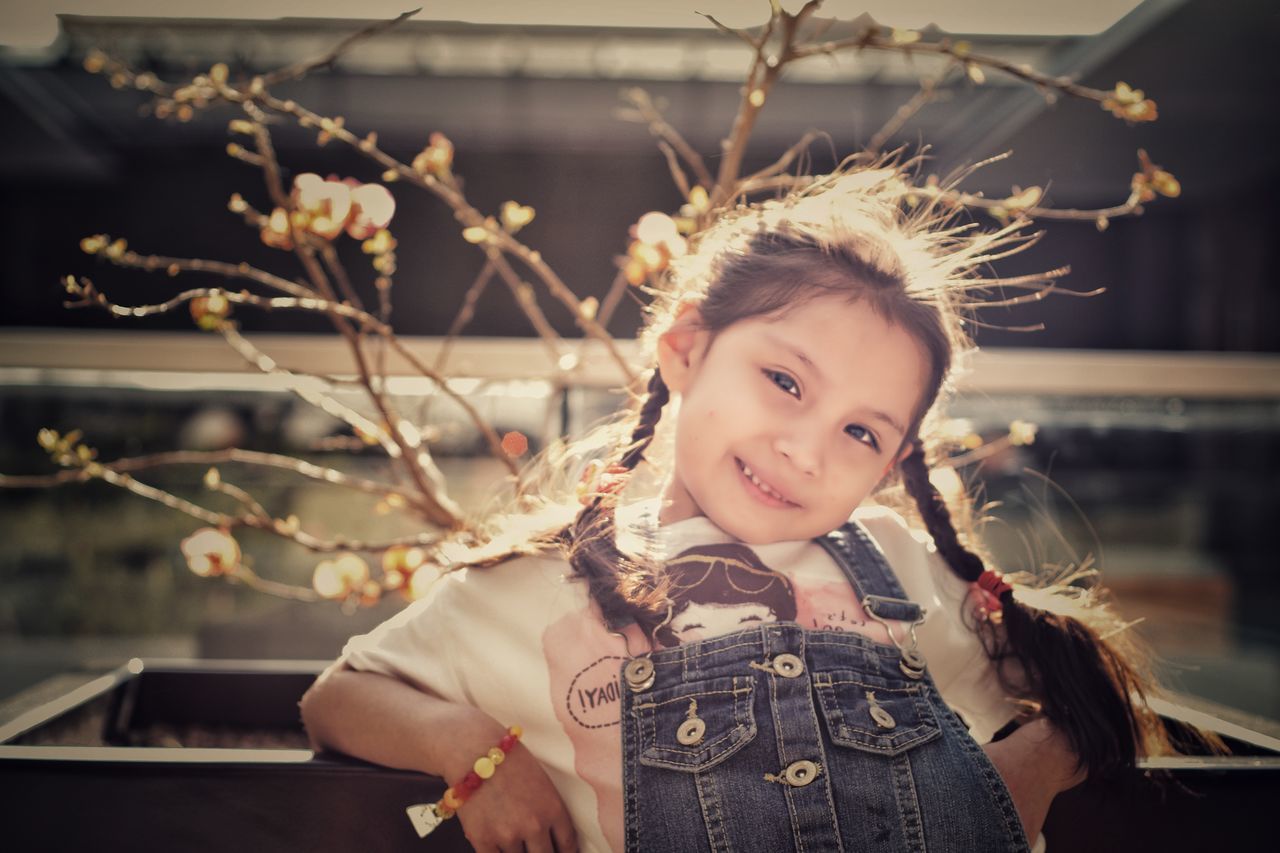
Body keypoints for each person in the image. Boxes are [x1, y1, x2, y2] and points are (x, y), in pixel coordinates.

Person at [300, 165, 1187, 853]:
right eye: (784, 380)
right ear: (685, 348)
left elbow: (1080, 695)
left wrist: (1018, 779)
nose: (807, 448)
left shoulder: (894, 564)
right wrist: (474, 749)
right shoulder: (538, 586)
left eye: (861, 432)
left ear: (892, 465)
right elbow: (340, 696)